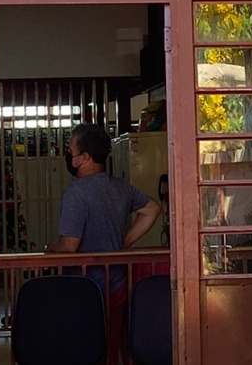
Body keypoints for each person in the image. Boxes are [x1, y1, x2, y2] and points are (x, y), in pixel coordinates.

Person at [47, 123, 160, 364]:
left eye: (70, 151)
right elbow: (152, 209)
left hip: (85, 287)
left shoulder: (76, 192)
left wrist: (49, 250)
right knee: (111, 344)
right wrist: (122, 243)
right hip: (116, 282)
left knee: (84, 348)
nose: (68, 156)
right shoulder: (120, 187)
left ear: (84, 157)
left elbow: (69, 245)